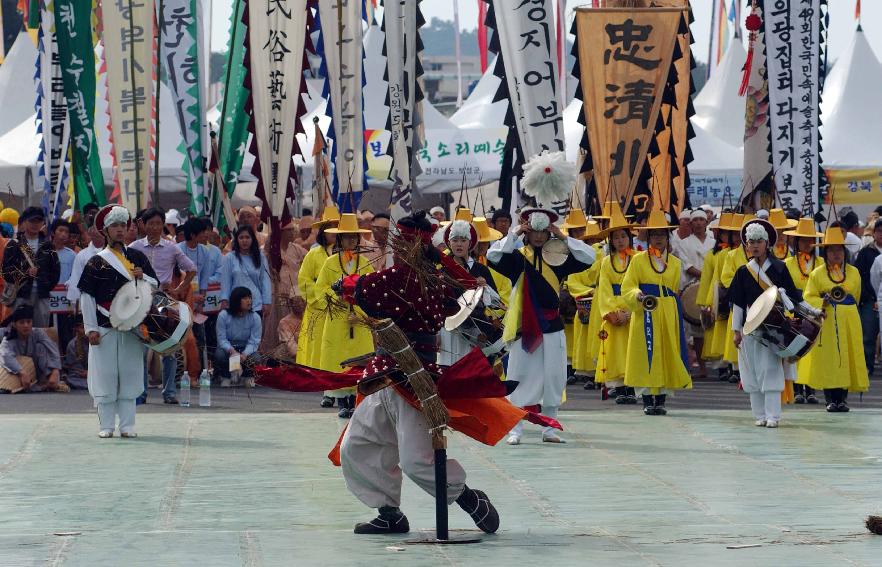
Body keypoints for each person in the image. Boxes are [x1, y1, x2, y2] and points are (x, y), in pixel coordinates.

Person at [488, 207, 596, 443]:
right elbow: (492, 256)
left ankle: (549, 429)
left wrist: (563, 236)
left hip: (552, 324)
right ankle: (515, 429)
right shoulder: (516, 259)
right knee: (519, 374)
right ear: (528, 231)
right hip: (523, 326)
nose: (538, 236)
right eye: (534, 231)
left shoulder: (559, 258)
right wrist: (515, 233)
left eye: (543, 231)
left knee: (553, 376)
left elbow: (590, 257)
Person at [78, 205, 159, 438]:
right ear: (105, 230)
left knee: (130, 374)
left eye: (123, 226)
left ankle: (127, 425)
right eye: (115, 226)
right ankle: (106, 426)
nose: (120, 230)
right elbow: (87, 296)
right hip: (104, 326)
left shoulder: (137, 257)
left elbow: (155, 286)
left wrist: (143, 276)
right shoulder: (96, 261)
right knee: (105, 376)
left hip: (132, 327)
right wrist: (90, 328)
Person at [730, 218, 813, 428]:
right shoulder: (742, 272)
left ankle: (773, 416)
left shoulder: (779, 268)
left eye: (759, 241)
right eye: (751, 241)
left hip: (773, 325)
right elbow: (738, 304)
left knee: (770, 368)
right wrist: (736, 330)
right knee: (752, 371)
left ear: (767, 243)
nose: (755, 245)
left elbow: (794, 297)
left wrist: (813, 312)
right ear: (746, 245)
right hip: (750, 326)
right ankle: (759, 414)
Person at [621, 209, 691, 415]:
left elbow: (678, 288)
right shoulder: (638, 260)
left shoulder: (676, 263)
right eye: (654, 235)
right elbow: (628, 286)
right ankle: (645, 398)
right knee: (644, 352)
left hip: (668, 310)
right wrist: (638, 295)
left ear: (667, 237)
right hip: (645, 308)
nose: (658, 239)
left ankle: (660, 399)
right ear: (648, 237)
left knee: (666, 352)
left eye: (662, 235)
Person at [130, 207, 197, 405]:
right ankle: (140, 393)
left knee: (169, 348)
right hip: (140, 301)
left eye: (159, 223)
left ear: (163, 226)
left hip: (162, 301)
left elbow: (191, 269)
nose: (155, 227)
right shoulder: (134, 247)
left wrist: (178, 289)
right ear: (143, 224)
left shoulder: (171, 247)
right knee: (141, 348)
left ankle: (169, 393)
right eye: (151, 223)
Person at [801, 227, 869, 412]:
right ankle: (830, 399)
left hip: (849, 319)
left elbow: (856, 295)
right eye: (831, 250)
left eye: (839, 249)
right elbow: (808, 296)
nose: (836, 254)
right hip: (828, 318)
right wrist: (821, 302)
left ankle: (843, 399)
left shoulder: (854, 272)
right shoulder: (817, 274)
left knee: (847, 356)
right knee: (829, 358)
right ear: (826, 252)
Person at [315, 213, 375, 418]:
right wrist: (337, 296)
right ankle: (342, 400)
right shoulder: (330, 263)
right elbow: (320, 290)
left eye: (354, 237)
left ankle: (356, 398)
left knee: (359, 358)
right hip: (338, 319)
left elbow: (372, 290)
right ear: (340, 239)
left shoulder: (366, 263)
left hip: (358, 321)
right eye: (347, 236)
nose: (351, 240)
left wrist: (359, 307)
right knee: (337, 358)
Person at [437, 219, 501, 366]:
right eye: (455, 240)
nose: (459, 244)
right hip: (449, 329)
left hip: (476, 330)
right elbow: (437, 304)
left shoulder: (481, 270)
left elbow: (496, 303)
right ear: (449, 243)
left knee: (472, 370)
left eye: (463, 240)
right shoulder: (442, 271)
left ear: (470, 243)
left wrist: (485, 288)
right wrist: (438, 333)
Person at [296, 207, 339, 393]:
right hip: (318, 308)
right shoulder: (313, 254)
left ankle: (336, 387)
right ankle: (320, 386)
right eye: (329, 228)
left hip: (339, 308)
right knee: (317, 349)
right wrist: (323, 297)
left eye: (336, 228)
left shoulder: (346, 255)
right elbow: (304, 280)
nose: (333, 232)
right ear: (322, 231)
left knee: (336, 349)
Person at [594, 205, 635, 400]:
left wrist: (631, 311)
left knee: (632, 349)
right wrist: (613, 312)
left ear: (630, 237)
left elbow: (640, 285)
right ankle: (619, 388)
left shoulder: (639, 259)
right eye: (616, 237)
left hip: (632, 310)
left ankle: (634, 386)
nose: (620, 241)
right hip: (615, 314)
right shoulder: (606, 262)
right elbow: (604, 289)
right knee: (615, 350)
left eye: (623, 236)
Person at [783, 218, 825, 404]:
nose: (807, 244)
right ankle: (798, 388)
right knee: (797, 348)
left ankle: (811, 388)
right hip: (795, 310)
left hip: (816, 310)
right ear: (796, 241)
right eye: (803, 240)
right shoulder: (787, 263)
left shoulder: (823, 263)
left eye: (810, 240)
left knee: (814, 350)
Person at [1, 207, 60, 327]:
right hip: (21, 295)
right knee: (19, 330)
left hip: (42, 295)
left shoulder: (48, 245)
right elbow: (6, 272)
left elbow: (55, 271)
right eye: (31, 221)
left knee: (41, 331)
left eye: (38, 221)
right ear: (24, 222)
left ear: (43, 223)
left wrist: (46, 286)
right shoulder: (14, 244)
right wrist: (25, 273)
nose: (35, 224)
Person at [676, 209, 716, 378]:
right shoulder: (684, 244)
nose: (699, 223)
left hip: (714, 287)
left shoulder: (715, 242)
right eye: (696, 220)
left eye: (702, 219)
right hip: (694, 290)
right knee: (698, 330)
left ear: (707, 222)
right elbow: (687, 266)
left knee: (715, 327)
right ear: (691, 224)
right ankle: (702, 367)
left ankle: (719, 364)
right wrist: (706, 275)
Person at [0, 305, 66, 392]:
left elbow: (52, 349)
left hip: (36, 372)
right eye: (22, 322)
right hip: (15, 372)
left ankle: (47, 380)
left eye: (28, 322)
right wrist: (22, 372)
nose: (26, 325)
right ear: (14, 325)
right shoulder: (9, 338)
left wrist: (55, 370)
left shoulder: (38, 333)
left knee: (41, 347)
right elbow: (5, 356)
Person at [215, 286, 262, 387]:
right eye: (245, 298)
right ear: (236, 300)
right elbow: (221, 339)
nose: (249, 301)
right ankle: (226, 376)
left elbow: (254, 341)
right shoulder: (223, 315)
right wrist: (232, 351)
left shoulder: (255, 317)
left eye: (249, 298)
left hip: (246, 347)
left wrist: (245, 353)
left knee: (256, 358)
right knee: (220, 354)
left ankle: (246, 376)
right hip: (229, 347)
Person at [220, 226, 272, 314]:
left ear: (252, 239)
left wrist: (266, 302)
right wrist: (224, 300)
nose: (244, 241)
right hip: (235, 304)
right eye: (241, 237)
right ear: (237, 240)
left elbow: (265, 280)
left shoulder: (260, 257)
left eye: (247, 237)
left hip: (256, 304)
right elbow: (225, 281)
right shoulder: (229, 258)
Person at [857, 219, 882, 377]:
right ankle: (867, 366)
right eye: (879, 231)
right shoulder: (866, 252)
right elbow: (866, 278)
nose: (881, 235)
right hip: (870, 300)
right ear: (874, 233)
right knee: (868, 335)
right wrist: (873, 298)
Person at [62, 315, 89, 390]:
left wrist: (93, 373)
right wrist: (88, 374)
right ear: (76, 329)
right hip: (80, 377)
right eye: (82, 328)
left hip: (98, 374)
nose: (85, 330)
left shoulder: (98, 339)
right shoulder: (72, 345)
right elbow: (77, 370)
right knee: (72, 380)